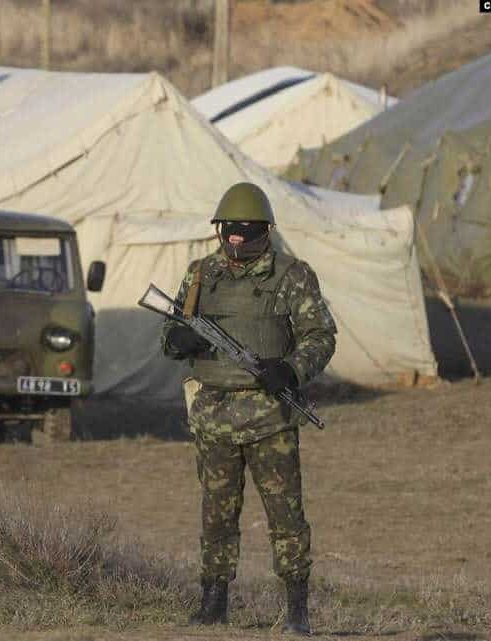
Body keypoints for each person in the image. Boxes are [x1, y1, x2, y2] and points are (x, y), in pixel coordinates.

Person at [161, 182, 337, 635]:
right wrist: (177, 339)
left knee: (286, 516)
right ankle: (213, 601)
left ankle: (296, 608)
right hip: (213, 416)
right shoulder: (201, 274)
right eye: (230, 230)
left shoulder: (292, 275)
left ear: (264, 230)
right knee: (216, 513)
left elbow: (321, 335)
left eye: (245, 230)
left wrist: (291, 369)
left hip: (269, 418)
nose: (236, 239)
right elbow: (171, 331)